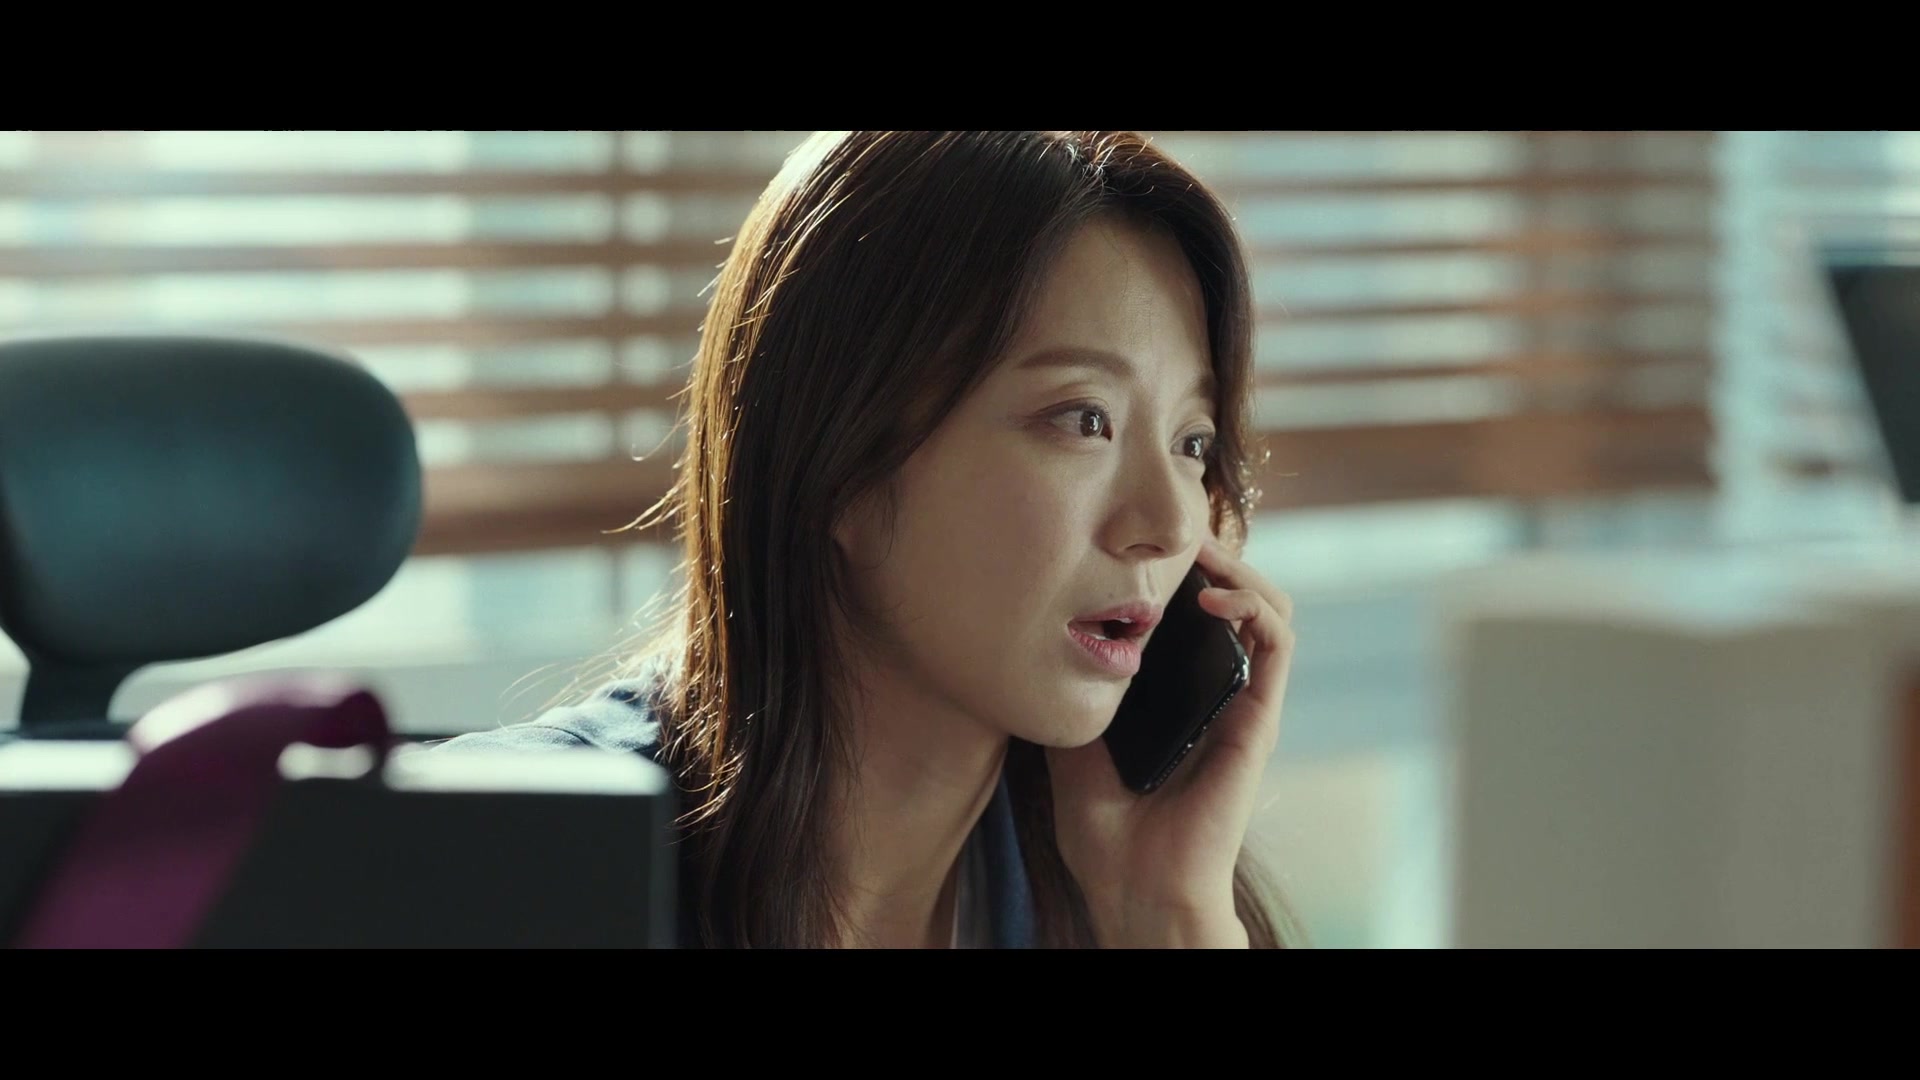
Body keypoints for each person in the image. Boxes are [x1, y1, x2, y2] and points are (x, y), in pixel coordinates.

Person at [437, 131, 1300, 949]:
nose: (1170, 526)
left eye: (1192, 442)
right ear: (841, 460)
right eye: (1084, 419)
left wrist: (1167, 916)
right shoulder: (499, 869)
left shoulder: (1131, 886)